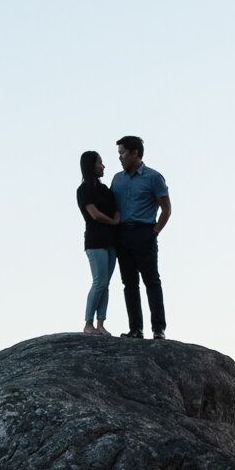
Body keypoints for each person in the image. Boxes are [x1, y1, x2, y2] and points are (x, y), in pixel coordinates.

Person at [110, 134, 170, 340]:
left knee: (151, 281)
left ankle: (158, 329)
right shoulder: (117, 179)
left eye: (122, 153)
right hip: (122, 235)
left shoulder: (153, 177)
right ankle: (136, 329)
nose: (120, 157)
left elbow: (166, 209)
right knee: (129, 283)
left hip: (145, 232)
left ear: (135, 152)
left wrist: (154, 232)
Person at [78, 151, 120, 334]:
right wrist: (112, 221)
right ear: (90, 166)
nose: (103, 166)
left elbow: (117, 209)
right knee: (99, 281)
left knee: (106, 283)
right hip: (95, 242)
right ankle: (88, 323)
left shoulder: (105, 190)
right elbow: (94, 214)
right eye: (100, 163)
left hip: (111, 241)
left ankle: (101, 323)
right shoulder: (84, 190)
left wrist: (116, 218)